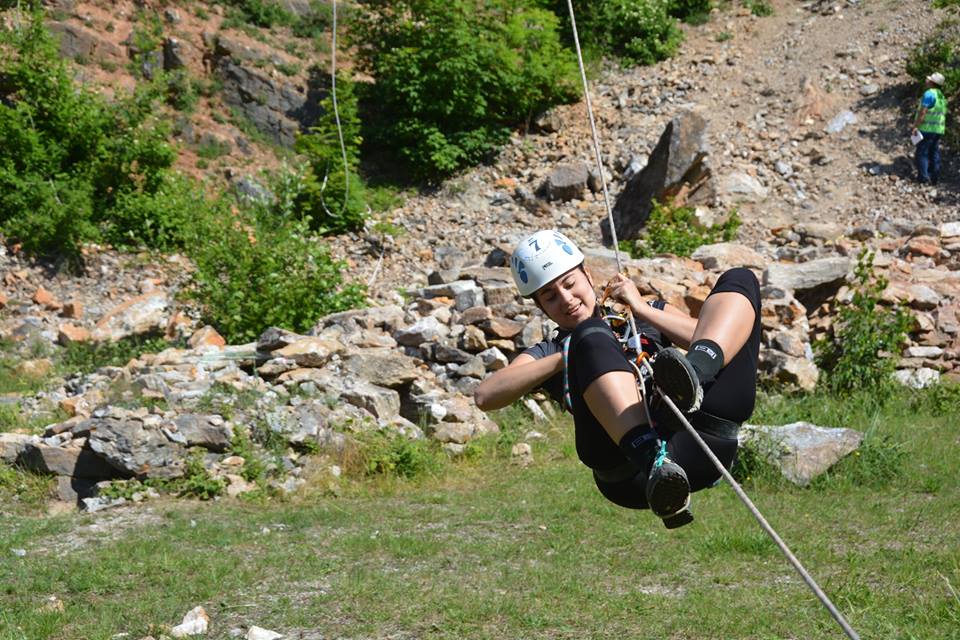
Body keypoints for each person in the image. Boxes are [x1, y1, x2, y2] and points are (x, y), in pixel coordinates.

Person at [474, 230, 761, 529]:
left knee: (740, 279)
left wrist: (641, 309)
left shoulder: (644, 315)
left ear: (587, 274)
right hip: (631, 472)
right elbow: (486, 396)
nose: (567, 300)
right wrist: (568, 356)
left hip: (702, 435)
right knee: (588, 333)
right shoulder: (551, 349)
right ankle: (653, 460)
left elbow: (708, 335)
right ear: (541, 307)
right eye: (550, 297)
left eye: (570, 284)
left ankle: (694, 375)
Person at [912, 72, 948, 186]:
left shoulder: (929, 94)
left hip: (926, 128)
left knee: (922, 153)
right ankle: (934, 178)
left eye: (929, 80)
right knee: (934, 152)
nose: (926, 81)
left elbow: (923, 112)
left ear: (932, 83)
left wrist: (916, 126)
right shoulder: (941, 96)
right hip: (938, 129)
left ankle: (923, 178)